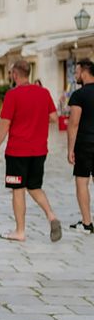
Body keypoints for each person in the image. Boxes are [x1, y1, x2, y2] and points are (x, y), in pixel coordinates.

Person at [0, 59, 61, 242]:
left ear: (15, 74)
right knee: (35, 186)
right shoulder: (44, 93)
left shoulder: (12, 95)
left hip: (17, 151)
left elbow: (4, 124)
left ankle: (20, 231)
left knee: (18, 189)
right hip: (39, 150)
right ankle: (51, 215)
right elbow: (54, 117)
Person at [67, 58, 94, 234]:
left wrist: (70, 149)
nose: (75, 75)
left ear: (84, 72)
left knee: (82, 182)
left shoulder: (79, 95)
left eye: (76, 72)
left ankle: (86, 223)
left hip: (85, 144)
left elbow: (73, 123)